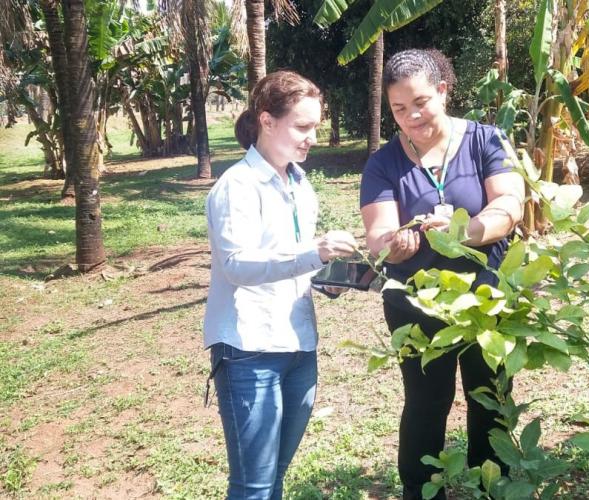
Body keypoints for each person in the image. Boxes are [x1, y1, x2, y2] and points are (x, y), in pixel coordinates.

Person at [359, 49, 525, 499]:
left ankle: (493, 487)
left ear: (443, 91)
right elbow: (377, 235)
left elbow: (510, 205)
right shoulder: (383, 163)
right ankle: (420, 490)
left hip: (487, 300)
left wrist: (461, 233)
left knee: (490, 398)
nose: (411, 116)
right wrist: (394, 244)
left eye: (421, 102)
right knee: (425, 402)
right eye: (399, 109)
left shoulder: (486, 140)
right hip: (416, 304)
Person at [203, 70, 358, 500]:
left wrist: (330, 279)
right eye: (302, 127)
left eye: (316, 127)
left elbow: (295, 261)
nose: (312, 138)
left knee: (275, 476)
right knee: (253, 485)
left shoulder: (300, 184)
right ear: (267, 121)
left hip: (299, 346)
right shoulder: (237, 186)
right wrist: (314, 252)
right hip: (249, 349)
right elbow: (236, 264)